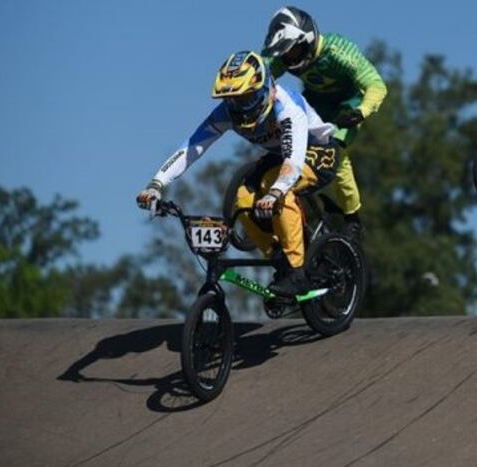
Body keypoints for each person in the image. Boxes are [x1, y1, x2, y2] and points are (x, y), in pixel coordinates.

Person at [136, 51, 338, 297]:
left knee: (274, 187)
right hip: (279, 157)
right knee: (242, 198)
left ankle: (297, 272)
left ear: (264, 87)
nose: (239, 107)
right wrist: (157, 183)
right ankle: (278, 255)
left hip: (317, 152)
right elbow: (192, 148)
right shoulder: (226, 113)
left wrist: (275, 192)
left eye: (246, 98)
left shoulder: (286, 107)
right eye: (232, 100)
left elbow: (293, 161)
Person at [261, 6, 387, 238]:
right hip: (314, 105)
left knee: (335, 153)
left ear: (307, 40)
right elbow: (261, 72)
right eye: (284, 55)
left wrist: (361, 111)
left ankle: (353, 218)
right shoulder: (286, 56)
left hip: (347, 106)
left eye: (293, 52)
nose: (289, 59)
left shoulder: (339, 52)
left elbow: (376, 85)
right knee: (286, 143)